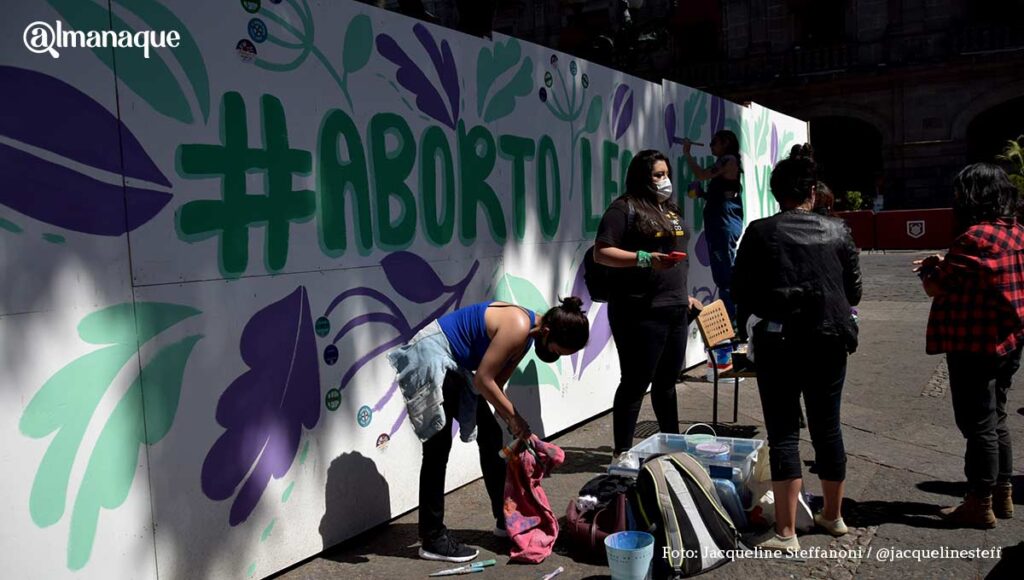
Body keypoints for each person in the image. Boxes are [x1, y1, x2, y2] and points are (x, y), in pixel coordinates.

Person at [387, 298, 589, 562]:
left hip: (453, 364)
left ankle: (506, 518)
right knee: (437, 450)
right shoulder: (518, 325)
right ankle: (432, 538)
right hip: (431, 355)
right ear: (549, 333)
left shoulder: (529, 336)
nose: (556, 356)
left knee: (492, 437)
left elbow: (495, 387)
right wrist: (517, 420)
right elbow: (483, 379)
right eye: (559, 351)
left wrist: (513, 423)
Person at [732, 155, 862, 552]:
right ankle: (834, 516)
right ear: (811, 192)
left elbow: (741, 289)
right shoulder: (839, 231)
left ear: (776, 194)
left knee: (784, 432)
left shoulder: (759, 231)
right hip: (829, 340)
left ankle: (786, 534)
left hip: (779, 341)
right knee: (828, 427)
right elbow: (853, 292)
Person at [914, 163, 1024, 528]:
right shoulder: (1016, 233)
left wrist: (931, 268)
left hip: (973, 344)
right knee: (998, 418)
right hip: (1008, 342)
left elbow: (936, 286)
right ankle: (1003, 493)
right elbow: (979, 274)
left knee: (977, 425)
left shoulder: (974, 237)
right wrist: (946, 263)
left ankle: (979, 502)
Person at [594, 149, 703, 463]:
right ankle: (621, 452)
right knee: (635, 382)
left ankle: (672, 444)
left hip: (675, 306)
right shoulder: (623, 209)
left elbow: (677, 257)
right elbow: (602, 252)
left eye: (667, 174)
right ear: (642, 177)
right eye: (658, 175)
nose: (665, 180)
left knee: (667, 383)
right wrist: (644, 259)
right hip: (639, 309)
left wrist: (686, 295)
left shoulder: (670, 209)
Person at [683, 130, 743, 319]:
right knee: (722, 270)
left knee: (725, 273)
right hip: (719, 221)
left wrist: (687, 153)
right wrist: (702, 194)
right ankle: (732, 319)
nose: (711, 146)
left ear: (726, 142)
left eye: (714, 142)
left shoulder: (728, 160)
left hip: (723, 222)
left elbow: (701, 174)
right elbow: (724, 193)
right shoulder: (728, 162)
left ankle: (733, 321)